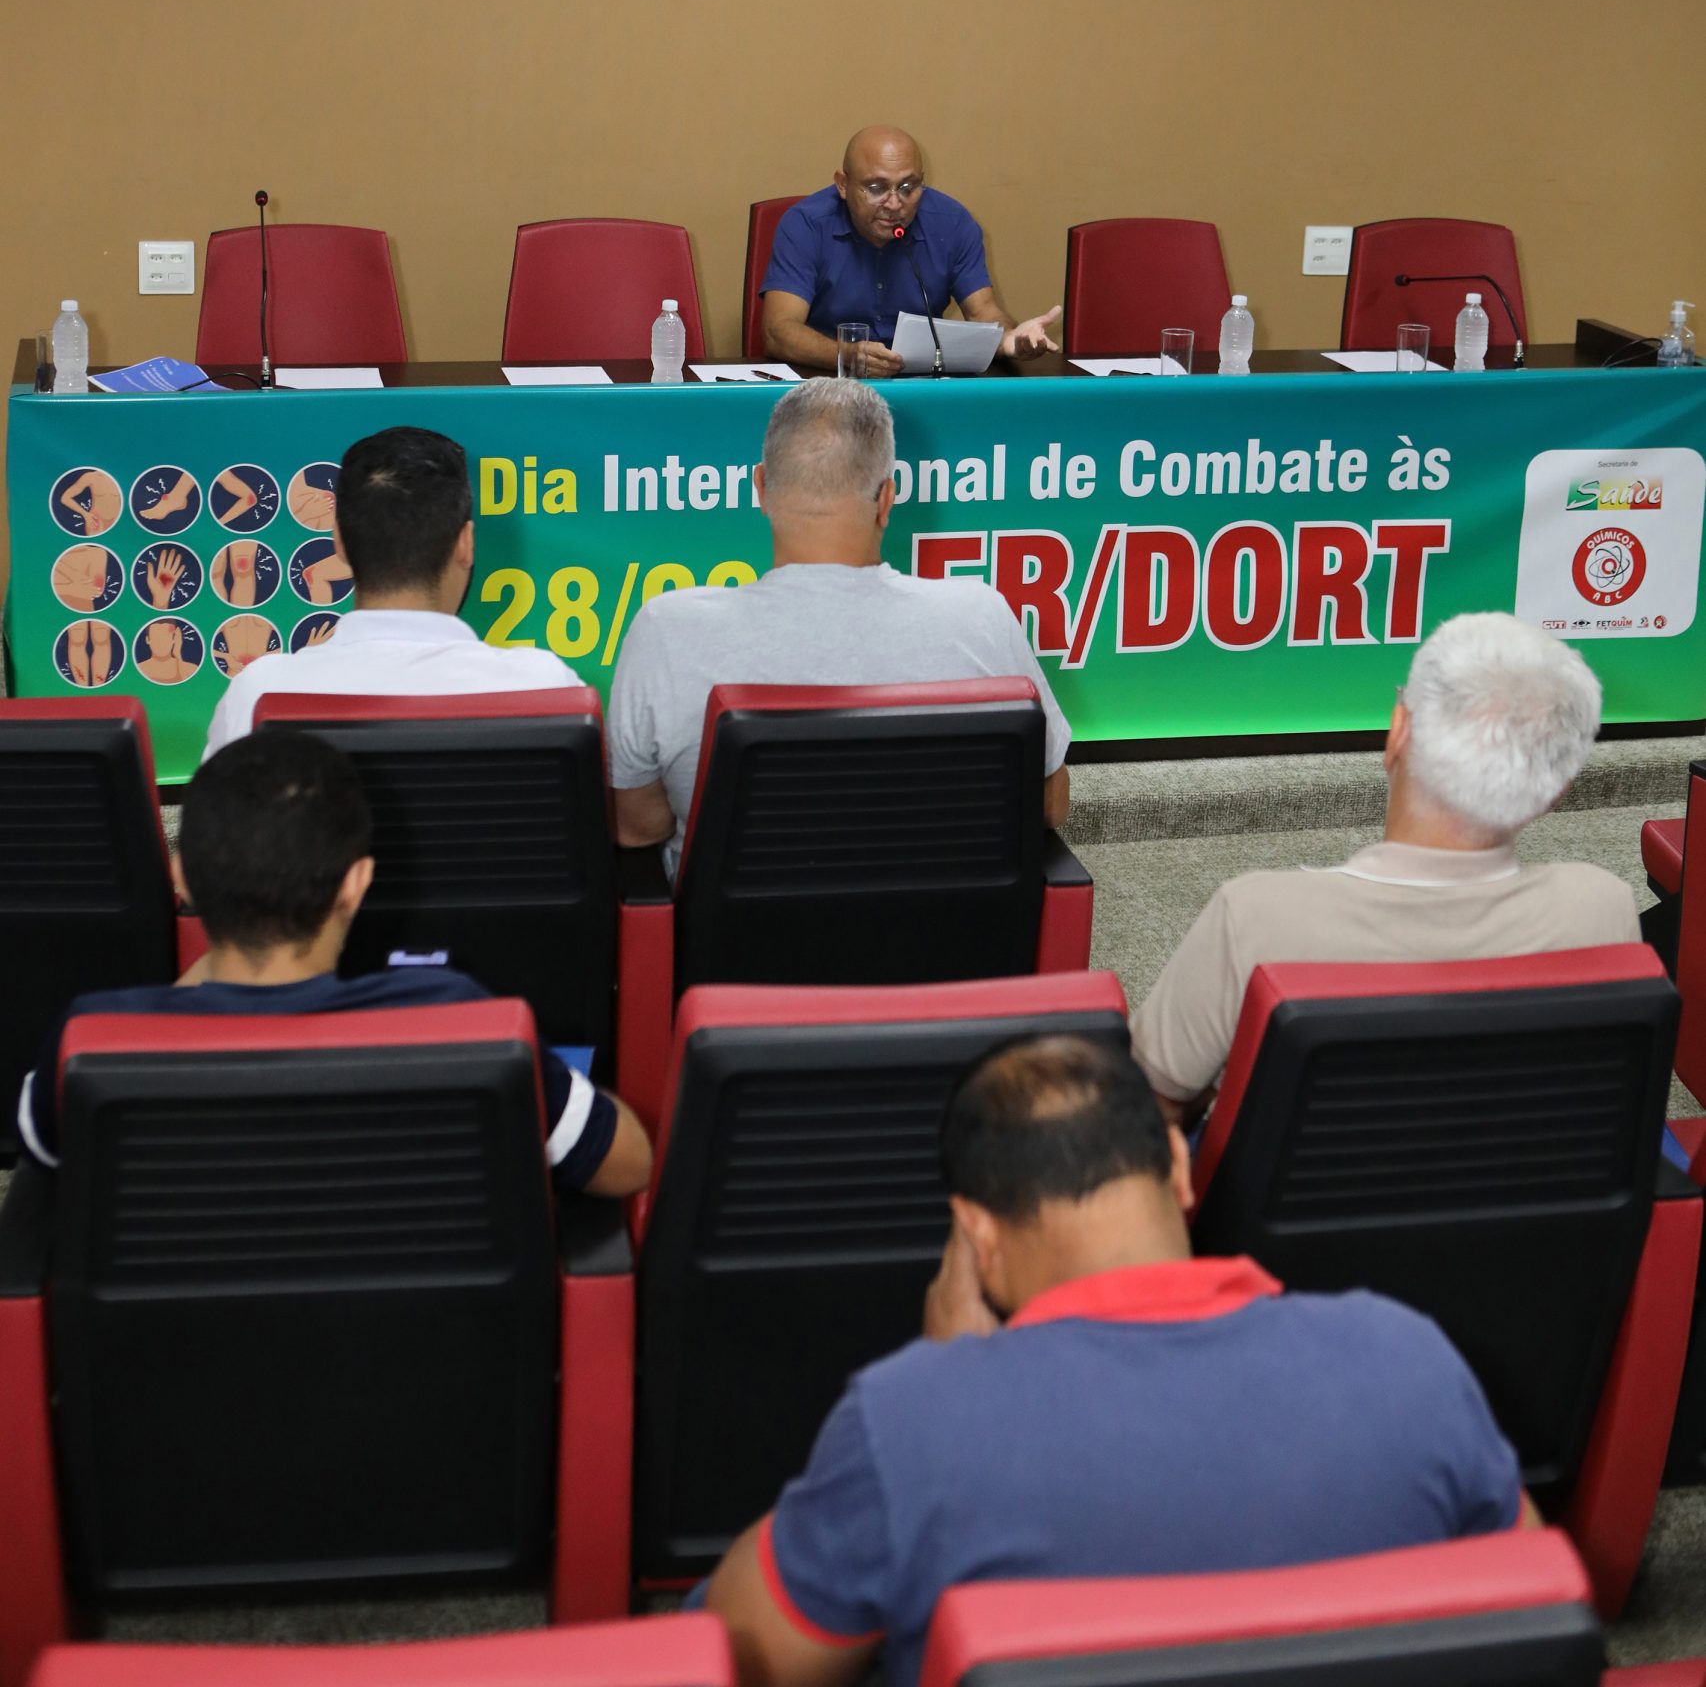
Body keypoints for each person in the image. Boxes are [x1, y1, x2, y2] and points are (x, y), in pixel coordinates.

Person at [703, 1035, 1525, 1687]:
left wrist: (946, 1378)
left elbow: (735, 1658)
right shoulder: (1407, 1357)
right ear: (1178, 1165)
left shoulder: (907, 1425)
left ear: (976, 1232)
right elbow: (1534, 1621)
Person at [17, 727, 650, 1195]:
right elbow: (628, 1164)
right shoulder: (461, 1024)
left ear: (180, 879)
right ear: (356, 883)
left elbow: (42, 1170)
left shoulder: (87, 1046)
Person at [1134, 611, 1637, 1121]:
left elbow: (1151, 1105)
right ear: (1558, 790)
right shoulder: (1602, 908)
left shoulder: (1256, 918)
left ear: (1398, 732)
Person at [608, 381, 1070, 873]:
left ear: (760, 488)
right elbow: (1048, 804)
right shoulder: (982, 617)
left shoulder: (667, 630)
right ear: (887, 500)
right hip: (947, 941)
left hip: (734, 946)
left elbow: (635, 827)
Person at [203, 425, 578, 754]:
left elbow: (218, 833)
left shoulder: (258, 693)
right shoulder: (544, 685)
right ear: (466, 544)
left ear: (339, 544)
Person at [762, 126, 1061, 377]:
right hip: (827, 377)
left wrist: (1009, 339)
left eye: (908, 187)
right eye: (877, 188)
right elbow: (779, 330)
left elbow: (982, 310)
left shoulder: (952, 222)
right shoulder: (806, 224)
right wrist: (847, 354)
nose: (894, 204)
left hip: (923, 381)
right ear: (843, 184)